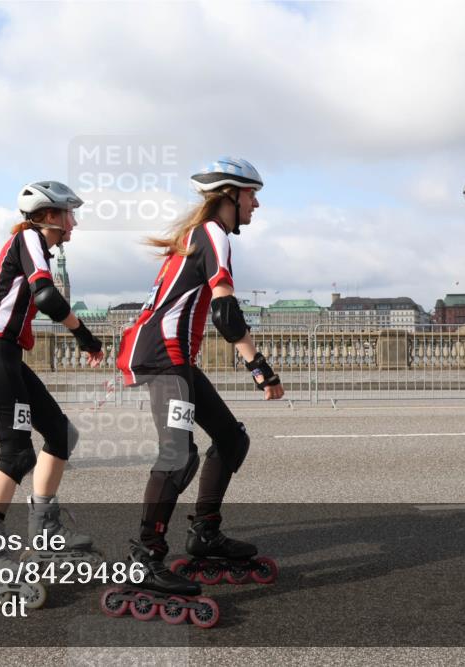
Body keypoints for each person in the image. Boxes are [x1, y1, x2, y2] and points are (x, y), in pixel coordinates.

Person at [115, 157, 283, 601]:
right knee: (178, 455)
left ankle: (205, 534)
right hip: (161, 356)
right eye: (251, 195)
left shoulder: (202, 237)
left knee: (231, 439)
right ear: (229, 195)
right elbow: (227, 312)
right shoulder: (212, 233)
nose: (257, 204)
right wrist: (260, 368)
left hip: (177, 359)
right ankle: (145, 556)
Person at [0, 181, 104, 605]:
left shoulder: (34, 243)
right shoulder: (29, 237)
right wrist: (85, 337)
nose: (74, 223)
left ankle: (45, 526)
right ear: (50, 215)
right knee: (16, 454)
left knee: (61, 434)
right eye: (69, 213)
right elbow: (46, 294)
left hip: (6, 356)